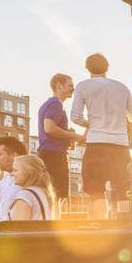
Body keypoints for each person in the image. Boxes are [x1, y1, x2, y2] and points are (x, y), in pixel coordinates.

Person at [71, 53, 132, 219]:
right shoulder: (122, 88)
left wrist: (90, 124)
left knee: (96, 190)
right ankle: (126, 226)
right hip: (120, 145)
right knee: (124, 189)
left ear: (87, 68)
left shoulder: (83, 86)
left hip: (97, 143)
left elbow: (75, 116)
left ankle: (99, 225)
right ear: (107, 67)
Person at [38, 73, 85, 214]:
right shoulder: (56, 104)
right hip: (54, 155)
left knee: (50, 193)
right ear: (59, 85)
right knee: (59, 195)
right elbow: (49, 128)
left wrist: (66, 134)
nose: (73, 89)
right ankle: (58, 226)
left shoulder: (47, 104)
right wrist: (75, 136)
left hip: (48, 153)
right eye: (70, 86)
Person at [7, 155, 54, 221]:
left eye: (15, 170)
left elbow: (19, 228)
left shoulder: (25, 194)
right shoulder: (43, 192)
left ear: (28, 172)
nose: (11, 174)